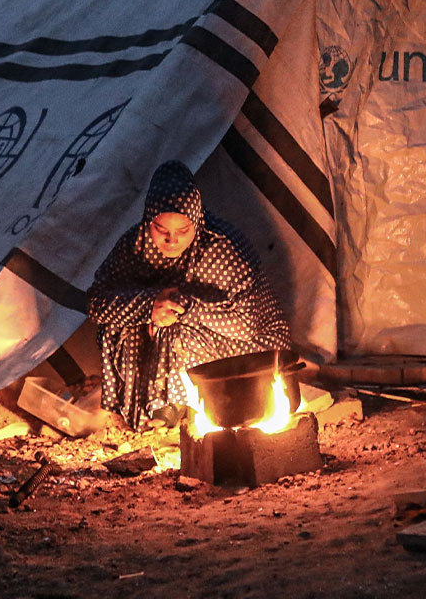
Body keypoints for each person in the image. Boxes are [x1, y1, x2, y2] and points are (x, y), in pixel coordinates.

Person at [88, 160, 292, 428]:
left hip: (255, 349)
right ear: (148, 220)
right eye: (161, 230)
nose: (171, 241)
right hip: (181, 340)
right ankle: (152, 405)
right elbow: (97, 302)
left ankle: (186, 404)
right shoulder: (135, 245)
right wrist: (149, 305)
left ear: (196, 222)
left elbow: (248, 325)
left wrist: (190, 308)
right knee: (117, 325)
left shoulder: (221, 248)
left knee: (177, 325)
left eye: (183, 231)